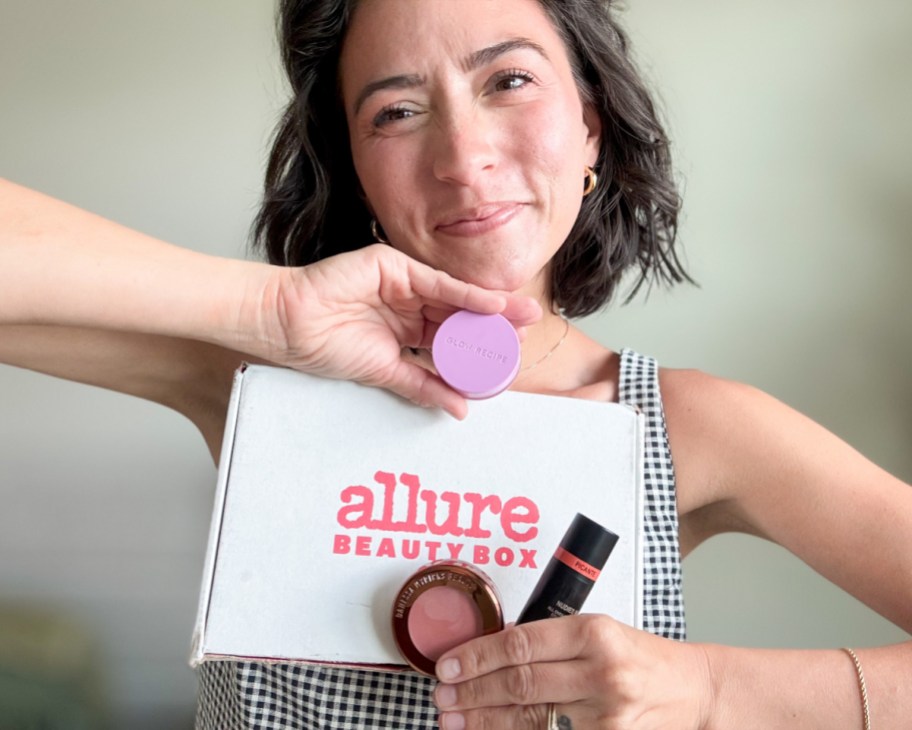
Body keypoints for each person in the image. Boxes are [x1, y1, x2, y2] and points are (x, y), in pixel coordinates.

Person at [2, 0, 910, 729]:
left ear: (590, 125)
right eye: (395, 110)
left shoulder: (683, 429)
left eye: (509, 79)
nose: (464, 158)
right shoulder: (264, 380)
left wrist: (711, 695)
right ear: (355, 166)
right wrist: (266, 308)